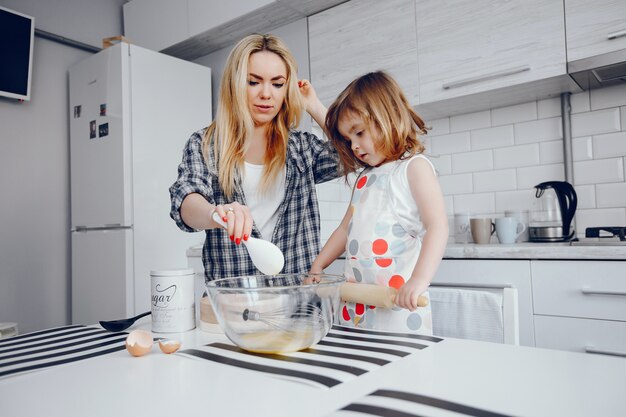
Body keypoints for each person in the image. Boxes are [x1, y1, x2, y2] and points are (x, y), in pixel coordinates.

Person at [169, 34, 338, 280]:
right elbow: (185, 202)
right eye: (253, 82)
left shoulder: (302, 148)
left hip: (299, 298)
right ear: (235, 84)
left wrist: (314, 106)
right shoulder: (205, 144)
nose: (266, 94)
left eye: (278, 84)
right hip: (235, 301)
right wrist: (217, 214)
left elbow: (351, 155)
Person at [309, 71, 448, 334]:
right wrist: (319, 264)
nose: (355, 147)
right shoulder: (364, 177)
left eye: (359, 133)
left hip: (399, 308)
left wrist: (418, 280)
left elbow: (437, 226)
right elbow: (343, 230)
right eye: (349, 141)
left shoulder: (413, 168)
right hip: (357, 307)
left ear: (389, 115)